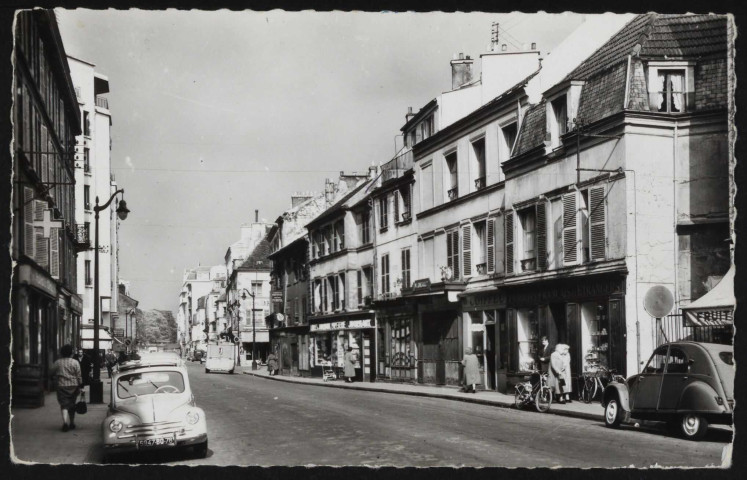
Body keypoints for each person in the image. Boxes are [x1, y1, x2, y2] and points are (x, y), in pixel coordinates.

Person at [50, 344, 83, 432]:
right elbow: (79, 375)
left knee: (64, 405)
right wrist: (81, 385)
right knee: (72, 404)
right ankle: (72, 423)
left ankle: (65, 423)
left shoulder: (58, 362)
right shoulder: (75, 362)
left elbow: (51, 372)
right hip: (74, 386)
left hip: (62, 386)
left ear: (61, 353)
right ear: (71, 353)